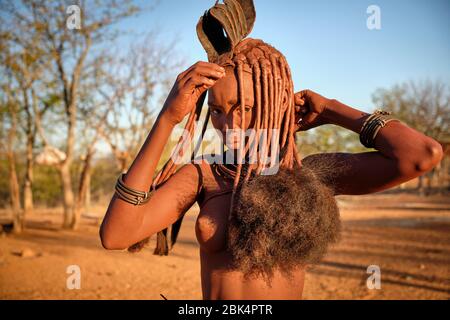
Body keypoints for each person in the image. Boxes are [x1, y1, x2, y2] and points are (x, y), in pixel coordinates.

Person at [99, 2, 443, 300]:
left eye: (242, 106)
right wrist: (167, 119)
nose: (227, 123)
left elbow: (421, 154)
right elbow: (116, 235)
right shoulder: (205, 175)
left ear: (275, 102)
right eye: (217, 110)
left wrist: (332, 110)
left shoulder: (309, 174)